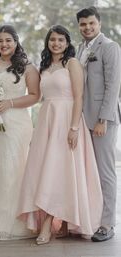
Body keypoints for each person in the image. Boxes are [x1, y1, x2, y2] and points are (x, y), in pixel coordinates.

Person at [18, 25, 103, 245]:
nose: (56, 43)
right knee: (49, 169)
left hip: (67, 120)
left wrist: (74, 128)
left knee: (59, 171)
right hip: (47, 119)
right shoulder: (44, 66)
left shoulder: (72, 64)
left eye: (61, 40)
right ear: (48, 42)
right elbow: (36, 95)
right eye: (52, 39)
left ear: (67, 43)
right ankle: (62, 224)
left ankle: (48, 224)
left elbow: (79, 97)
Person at [0, 24, 40, 240]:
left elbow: (35, 95)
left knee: (12, 168)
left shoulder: (27, 67)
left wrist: (9, 103)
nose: (4, 44)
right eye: (0, 40)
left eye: (8, 40)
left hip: (15, 123)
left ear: (16, 41)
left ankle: (15, 223)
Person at [76, 6, 121, 242]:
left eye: (91, 23)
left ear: (99, 23)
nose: (87, 28)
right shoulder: (80, 49)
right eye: (83, 24)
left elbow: (113, 87)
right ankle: (90, 218)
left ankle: (107, 224)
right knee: (88, 171)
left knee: (105, 173)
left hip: (102, 120)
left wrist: (103, 119)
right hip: (82, 119)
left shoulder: (110, 47)